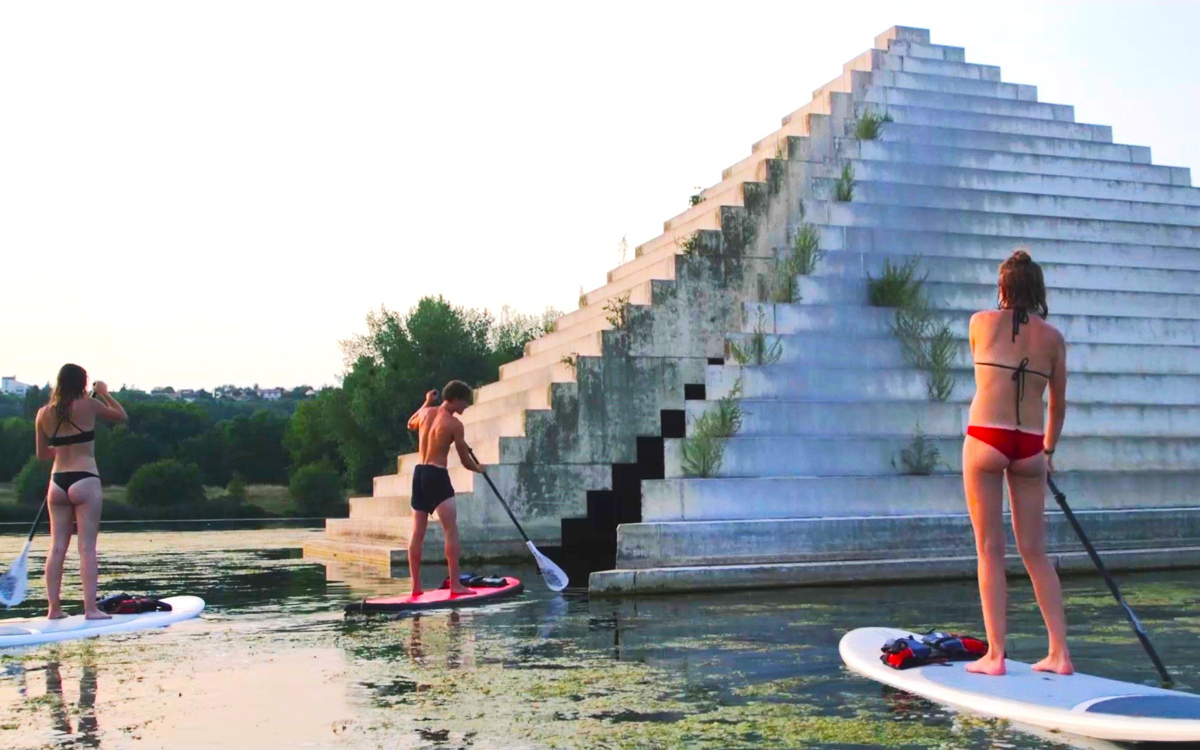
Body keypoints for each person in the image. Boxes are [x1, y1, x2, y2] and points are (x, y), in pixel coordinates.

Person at [962, 249, 1072, 676]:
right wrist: (1048, 449)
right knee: (1035, 552)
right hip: (1029, 445)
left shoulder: (979, 323)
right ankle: (1059, 652)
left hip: (986, 436)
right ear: (1038, 290)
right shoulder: (1054, 339)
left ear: (1003, 288)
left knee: (990, 548)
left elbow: (983, 366)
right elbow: (1058, 403)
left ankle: (995, 655)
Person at [34, 364, 128, 620]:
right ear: (83, 383)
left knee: (56, 549)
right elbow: (121, 417)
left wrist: (65, 448)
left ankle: (53, 609)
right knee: (86, 548)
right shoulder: (89, 404)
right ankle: (90, 610)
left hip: (57, 483)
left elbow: (43, 455)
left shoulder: (43, 413)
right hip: (85, 478)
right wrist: (106, 393)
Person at [406, 380, 485, 597]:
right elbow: (465, 462)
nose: (466, 407)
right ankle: (456, 586)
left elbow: (410, 423)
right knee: (450, 529)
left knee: (417, 532)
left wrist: (426, 402)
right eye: (465, 402)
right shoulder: (454, 425)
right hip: (436, 474)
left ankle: (415, 587)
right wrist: (480, 469)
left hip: (419, 473)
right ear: (456, 398)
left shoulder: (425, 413)